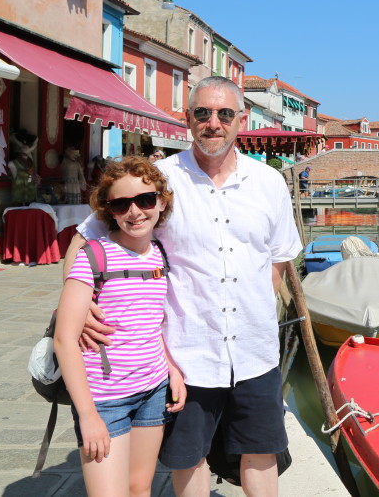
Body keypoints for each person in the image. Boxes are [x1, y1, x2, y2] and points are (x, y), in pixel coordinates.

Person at [66, 76, 302, 496]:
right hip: (189, 352)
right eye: (203, 113)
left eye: (225, 113)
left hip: (254, 350)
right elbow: (84, 237)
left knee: (261, 451)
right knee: (188, 456)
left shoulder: (269, 183)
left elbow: (279, 261)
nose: (214, 123)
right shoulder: (159, 180)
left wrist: (258, 311)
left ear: (240, 120)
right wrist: (78, 305)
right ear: (187, 118)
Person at [52, 156, 186, 496]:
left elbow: (154, 323)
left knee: (139, 488)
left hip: (153, 391)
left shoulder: (160, 255)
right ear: (108, 210)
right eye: (121, 204)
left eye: (144, 200)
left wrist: (171, 369)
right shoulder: (94, 256)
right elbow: (65, 339)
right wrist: (87, 415)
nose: (135, 212)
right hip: (105, 399)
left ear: (160, 202)